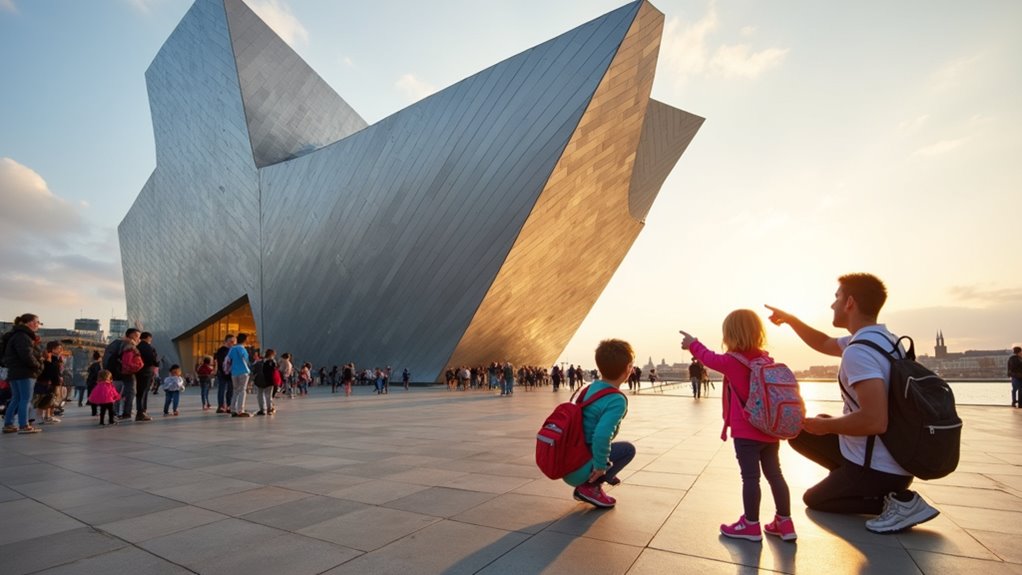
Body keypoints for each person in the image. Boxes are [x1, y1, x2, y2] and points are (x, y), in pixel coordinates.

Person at [766, 273, 939, 533]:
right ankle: (849, 481)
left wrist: (828, 427)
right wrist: (791, 320)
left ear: (850, 303)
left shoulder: (859, 352)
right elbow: (824, 342)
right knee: (800, 432)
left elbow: (875, 421)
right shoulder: (884, 339)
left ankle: (898, 501)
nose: (832, 304)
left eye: (837, 297)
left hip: (878, 467)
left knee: (815, 499)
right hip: (893, 457)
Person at [681, 310, 796, 542]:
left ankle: (751, 525)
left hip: (746, 433)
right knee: (775, 474)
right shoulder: (765, 360)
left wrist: (692, 343)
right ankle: (785, 523)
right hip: (770, 430)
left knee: (750, 478)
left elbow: (709, 358)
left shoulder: (733, 361)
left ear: (729, 334)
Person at [563, 339, 636, 508]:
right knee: (627, 450)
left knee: (607, 447)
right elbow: (601, 436)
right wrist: (601, 466)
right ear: (628, 369)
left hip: (568, 461)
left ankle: (600, 476)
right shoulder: (616, 399)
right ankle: (591, 487)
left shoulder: (590, 388)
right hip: (580, 469)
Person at [2, 314, 44, 434]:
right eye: (37, 322)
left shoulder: (16, 335)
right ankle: (24, 425)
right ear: (30, 323)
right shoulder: (23, 336)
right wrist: (37, 365)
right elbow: (26, 355)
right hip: (25, 372)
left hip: (15, 372)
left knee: (16, 398)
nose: (38, 325)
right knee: (25, 399)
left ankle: (8, 424)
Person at [33, 341, 64, 425]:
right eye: (58, 348)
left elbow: (56, 371)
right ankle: (39, 417)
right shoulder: (49, 357)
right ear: (52, 349)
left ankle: (47, 416)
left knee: (49, 399)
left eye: (61, 348)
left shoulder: (56, 358)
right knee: (43, 399)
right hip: (46, 381)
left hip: (51, 381)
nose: (60, 350)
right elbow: (50, 370)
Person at [134, 332, 158, 421]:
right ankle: (141, 412)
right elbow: (153, 360)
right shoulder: (149, 347)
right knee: (144, 391)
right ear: (148, 338)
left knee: (139, 392)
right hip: (147, 371)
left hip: (138, 371)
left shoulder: (137, 346)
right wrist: (156, 363)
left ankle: (139, 411)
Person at [228, 333, 251, 416]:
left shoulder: (232, 349)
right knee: (242, 390)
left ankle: (233, 409)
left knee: (235, 391)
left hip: (234, 372)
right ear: (245, 340)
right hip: (243, 371)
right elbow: (246, 359)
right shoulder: (242, 349)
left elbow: (229, 359)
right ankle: (240, 410)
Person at [214, 334, 235, 413]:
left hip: (230, 374)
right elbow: (220, 362)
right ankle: (221, 406)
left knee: (230, 390)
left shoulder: (232, 350)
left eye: (233, 341)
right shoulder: (221, 350)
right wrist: (224, 371)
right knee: (222, 390)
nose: (232, 343)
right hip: (222, 373)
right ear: (226, 341)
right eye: (231, 341)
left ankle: (229, 405)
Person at [255, 349, 277, 415]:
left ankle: (262, 409)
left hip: (260, 380)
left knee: (260, 395)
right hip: (269, 380)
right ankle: (269, 409)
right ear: (272, 355)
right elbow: (274, 371)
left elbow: (255, 370)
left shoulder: (260, 362)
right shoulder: (272, 362)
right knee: (268, 395)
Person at [85, 350, 102, 416]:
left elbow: (89, 372)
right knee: (97, 398)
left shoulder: (92, 364)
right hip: (95, 383)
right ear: (99, 357)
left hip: (91, 382)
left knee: (93, 398)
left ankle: (94, 412)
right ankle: (95, 412)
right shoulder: (97, 365)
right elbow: (97, 373)